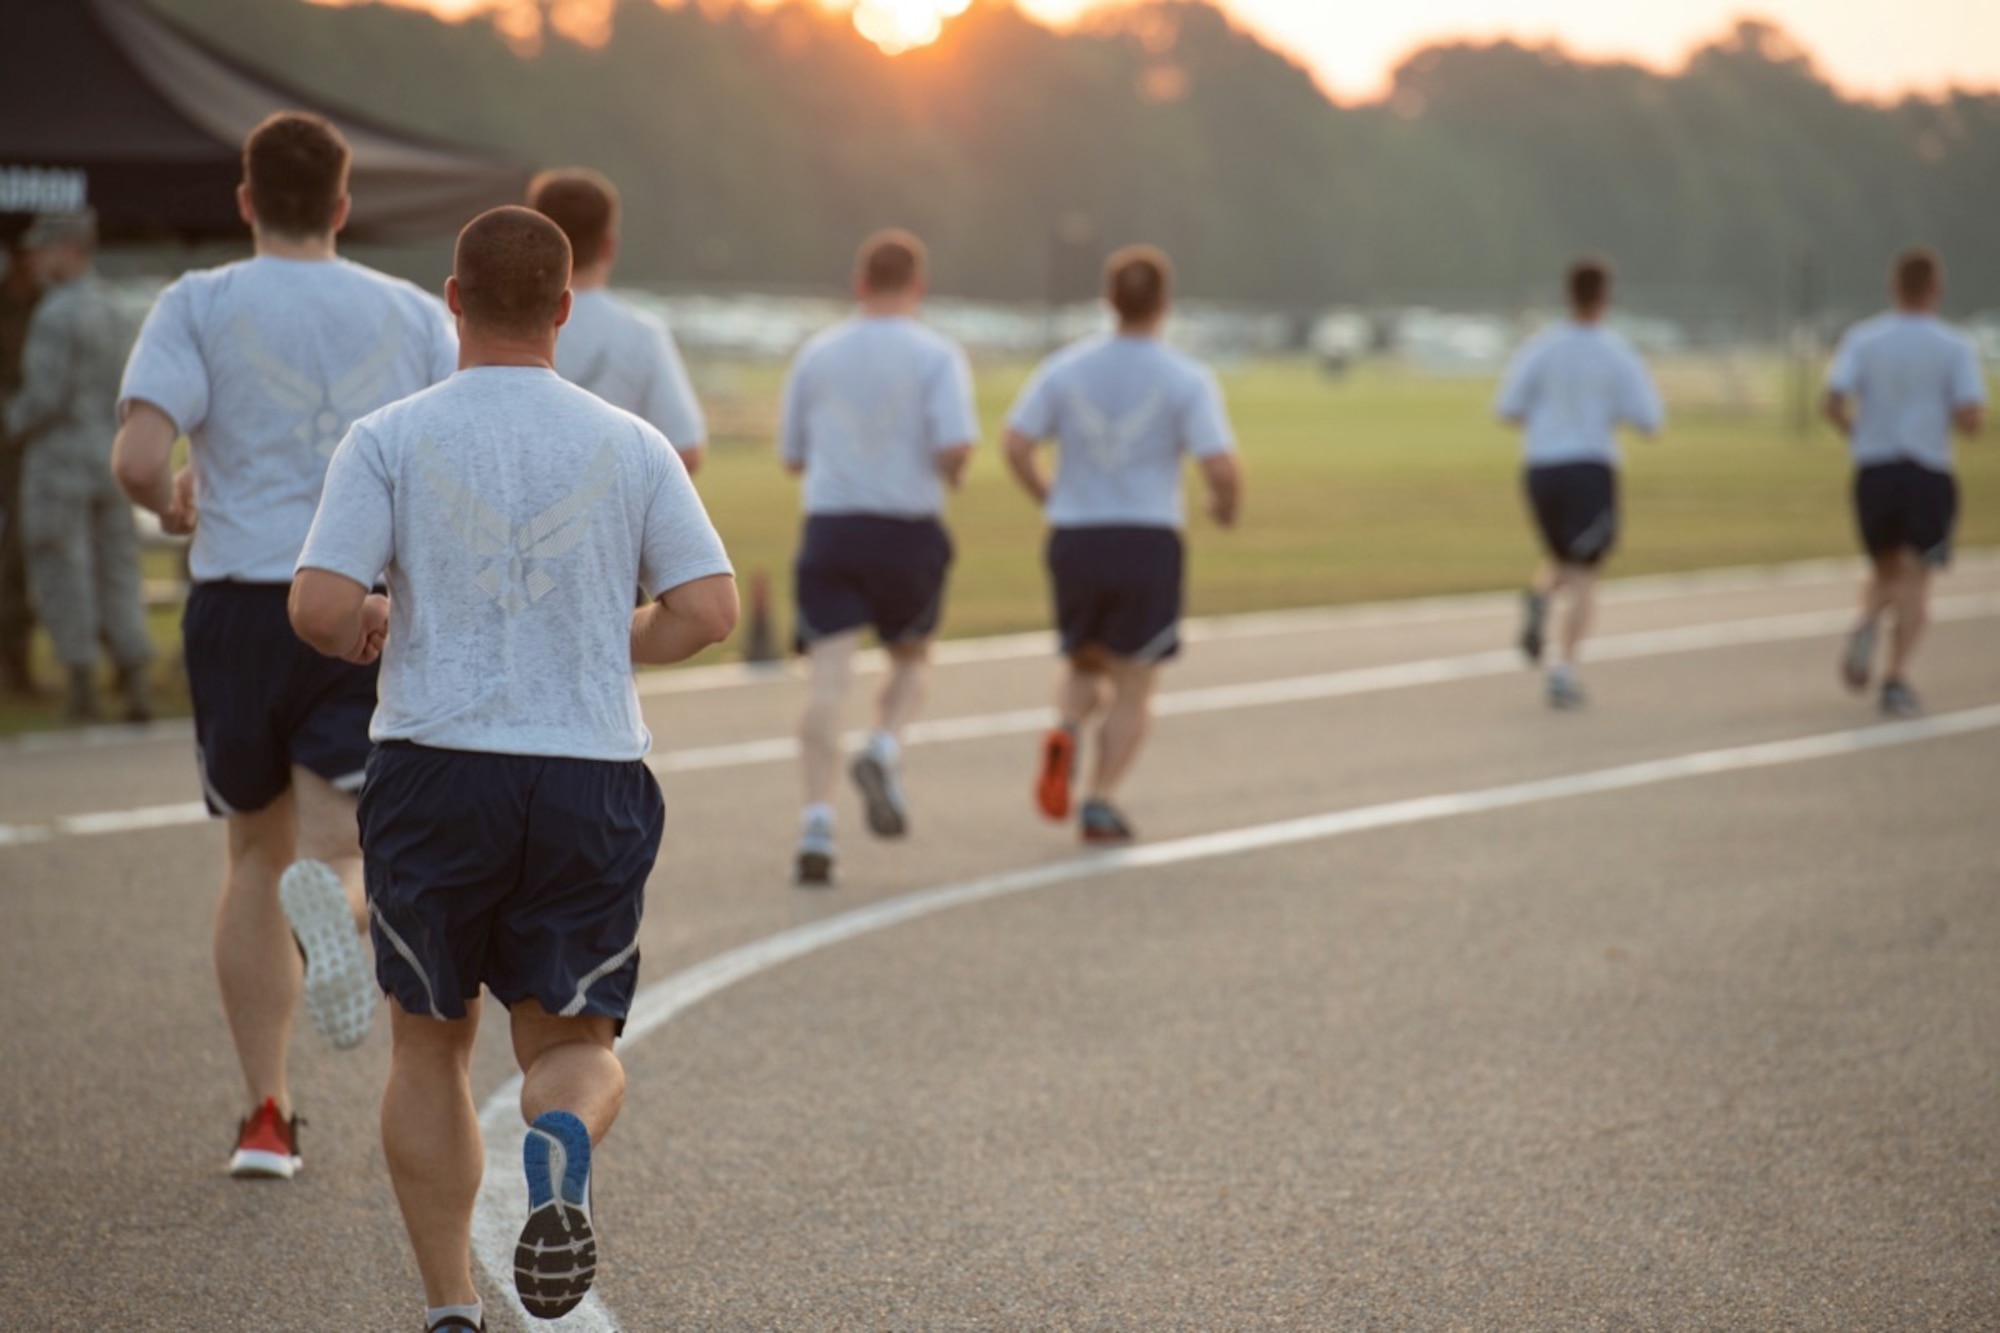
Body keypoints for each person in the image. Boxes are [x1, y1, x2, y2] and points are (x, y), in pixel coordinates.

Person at [292, 205, 737, 1333]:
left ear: (451, 299)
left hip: (435, 771)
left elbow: (318, 606)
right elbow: (708, 608)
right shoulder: (629, 441)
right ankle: (562, 1140)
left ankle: (450, 1305)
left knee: (430, 1043)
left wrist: (379, 619)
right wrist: (604, 633)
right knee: (570, 1044)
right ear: (564, 309)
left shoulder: (388, 435)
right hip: (587, 774)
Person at [113, 111, 458, 1178]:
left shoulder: (200, 302)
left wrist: (173, 502)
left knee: (252, 856)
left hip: (233, 601)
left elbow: (135, 455)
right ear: (345, 208)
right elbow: (447, 453)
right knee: (338, 837)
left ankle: (267, 1111)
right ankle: (336, 906)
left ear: (248, 200)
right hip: (353, 592)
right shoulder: (408, 313)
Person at [1002, 245, 1242, 844]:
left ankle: (1065, 725)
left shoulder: (1065, 367)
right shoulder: (1185, 376)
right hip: (1146, 535)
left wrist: (1049, 495)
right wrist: (1224, 507)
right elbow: (1220, 464)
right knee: (1136, 681)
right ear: (1164, 302)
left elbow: (1015, 441)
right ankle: (1100, 799)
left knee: (1085, 658)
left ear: (1108, 300)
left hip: (1076, 534)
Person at [778, 228, 978, 885]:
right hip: (906, 527)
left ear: (860, 282)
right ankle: (884, 744)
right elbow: (954, 448)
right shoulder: (937, 354)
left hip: (833, 525)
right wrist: (953, 470)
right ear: (917, 285)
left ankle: (816, 823)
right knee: (913, 657)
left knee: (827, 679)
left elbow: (793, 455)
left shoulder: (817, 352)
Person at [2, 210, 153, 722]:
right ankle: (134, 677)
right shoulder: (116, 307)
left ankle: (82, 681)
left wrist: (9, 422)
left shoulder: (55, 313)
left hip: (59, 457)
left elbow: (44, 396)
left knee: (61, 567)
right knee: (118, 567)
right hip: (110, 451)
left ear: (70, 249)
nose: (36, 260)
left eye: (45, 249)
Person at [1494, 257, 1664, 709]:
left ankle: (1539, 595)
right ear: (1605, 297)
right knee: (1586, 572)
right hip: (1589, 464)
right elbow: (1650, 420)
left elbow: (1507, 408)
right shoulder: (1615, 351)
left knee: (1561, 557)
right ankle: (1564, 670)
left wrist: (1548, 422)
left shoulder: (1541, 347)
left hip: (1541, 466)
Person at [1824, 246, 1987, 716]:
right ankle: (1895, 677)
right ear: (1936, 289)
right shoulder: (1954, 344)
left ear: (1894, 287)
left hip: (1875, 468)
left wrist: (1860, 435)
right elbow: (1971, 415)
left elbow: (1833, 401)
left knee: (1885, 566)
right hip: (1926, 468)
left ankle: (1868, 618)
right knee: (1917, 577)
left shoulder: (1864, 337)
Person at [527, 168, 707, 474]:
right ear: (609, 246)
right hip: (610, 512)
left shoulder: (494, 326)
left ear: (531, 240)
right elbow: (685, 448)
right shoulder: (641, 334)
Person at [0, 235, 41, 697]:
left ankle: (20, 666)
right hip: (15, 449)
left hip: (29, 453)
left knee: (23, 560)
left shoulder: (48, 308)